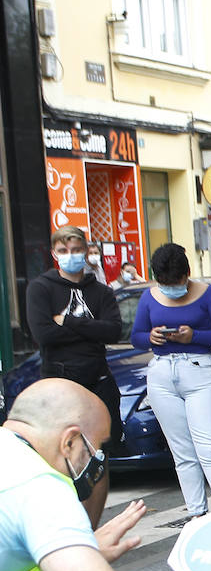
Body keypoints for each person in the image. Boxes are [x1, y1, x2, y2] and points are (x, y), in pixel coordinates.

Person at [0, 380, 211, 571]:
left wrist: (81, 554)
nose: (98, 460)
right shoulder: (43, 488)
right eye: (98, 448)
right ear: (69, 442)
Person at [130, 243, 211, 519]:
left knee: (210, 448)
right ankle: (196, 514)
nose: (169, 288)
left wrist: (194, 336)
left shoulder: (209, 294)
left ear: (187, 273)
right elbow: (136, 336)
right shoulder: (149, 296)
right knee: (183, 453)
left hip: (200, 369)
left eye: (175, 282)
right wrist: (150, 338)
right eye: (163, 282)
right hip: (162, 372)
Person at [25, 225, 121, 527]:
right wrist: (91, 331)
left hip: (98, 383)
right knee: (61, 461)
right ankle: (66, 529)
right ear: (55, 254)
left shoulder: (102, 291)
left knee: (98, 460)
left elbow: (114, 331)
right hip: (60, 384)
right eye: (64, 251)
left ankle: (92, 530)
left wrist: (67, 320)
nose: (71, 256)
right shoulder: (41, 288)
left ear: (86, 250)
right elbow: (44, 334)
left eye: (76, 249)